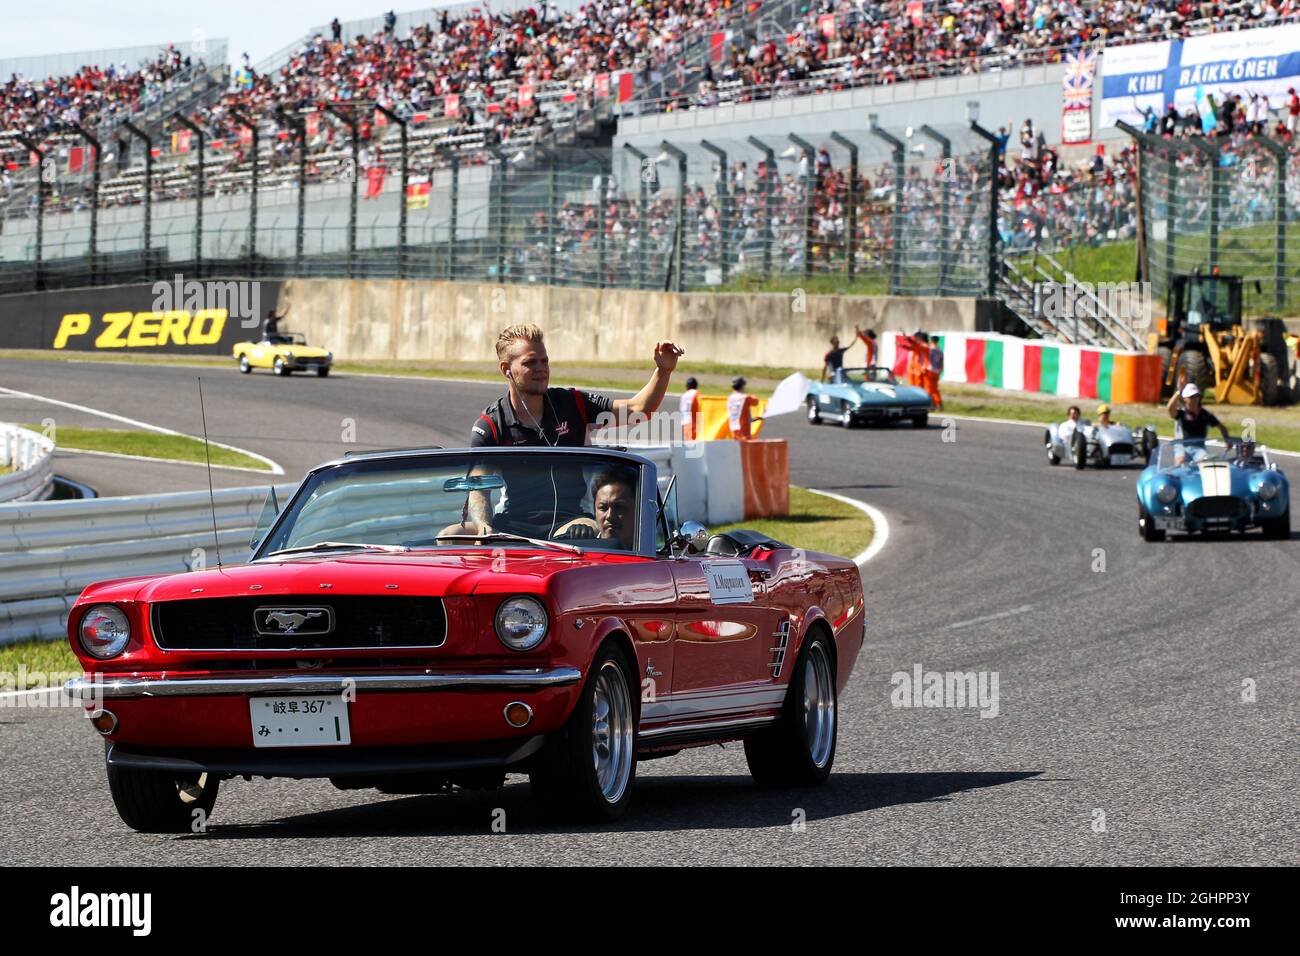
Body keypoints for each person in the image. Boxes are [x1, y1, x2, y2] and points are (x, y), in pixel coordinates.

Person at [456, 324, 683, 537]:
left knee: (581, 532)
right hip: (511, 521)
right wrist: (483, 525)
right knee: (449, 535)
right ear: (506, 369)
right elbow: (478, 488)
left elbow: (638, 410)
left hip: (571, 519)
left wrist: (663, 371)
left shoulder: (572, 403)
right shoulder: (491, 425)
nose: (541, 369)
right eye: (531, 363)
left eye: (544, 361)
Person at [1167, 374, 1230, 444]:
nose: (1195, 399)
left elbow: (1222, 427)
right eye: (1191, 397)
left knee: (1204, 455)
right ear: (1185, 399)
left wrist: (1227, 440)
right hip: (1181, 446)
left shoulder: (1205, 414)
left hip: (1199, 448)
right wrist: (1179, 391)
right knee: (1180, 455)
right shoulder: (1181, 413)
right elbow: (1170, 408)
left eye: (1197, 396)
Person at [679, 375, 701, 441]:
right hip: (695, 422)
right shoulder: (697, 393)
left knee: (688, 443)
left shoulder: (684, 395)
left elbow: (681, 410)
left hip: (685, 421)